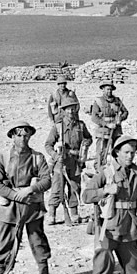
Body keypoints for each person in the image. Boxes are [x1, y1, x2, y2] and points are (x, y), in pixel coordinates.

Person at [82, 135, 137, 274]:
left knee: (133, 262)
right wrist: (105, 190)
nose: (130, 156)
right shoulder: (106, 172)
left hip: (129, 224)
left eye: (133, 152)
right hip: (108, 225)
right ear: (117, 153)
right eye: (126, 152)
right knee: (103, 262)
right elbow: (86, 195)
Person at [0, 121, 56, 274]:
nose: (22, 138)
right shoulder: (3, 157)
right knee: (5, 243)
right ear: (12, 136)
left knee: (38, 241)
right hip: (10, 208)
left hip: (32, 206)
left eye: (26, 134)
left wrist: (29, 190)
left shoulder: (38, 157)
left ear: (30, 136)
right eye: (18, 134)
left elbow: (46, 180)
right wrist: (13, 194)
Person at [44, 96, 92, 225]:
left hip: (75, 162)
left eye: (73, 109)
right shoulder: (58, 127)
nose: (71, 112)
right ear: (63, 111)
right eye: (68, 109)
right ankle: (52, 214)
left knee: (74, 187)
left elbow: (89, 138)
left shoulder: (81, 125)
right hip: (61, 162)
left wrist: (86, 143)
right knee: (57, 187)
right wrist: (55, 155)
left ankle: (74, 213)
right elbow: (48, 145)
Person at [90, 82, 128, 172]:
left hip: (116, 130)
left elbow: (125, 112)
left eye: (110, 89)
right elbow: (94, 117)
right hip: (103, 130)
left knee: (117, 150)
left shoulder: (117, 101)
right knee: (101, 151)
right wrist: (106, 124)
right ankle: (99, 170)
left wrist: (120, 119)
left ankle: (118, 169)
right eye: (107, 89)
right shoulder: (98, 101)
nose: (109, 91)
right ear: (103, 90)